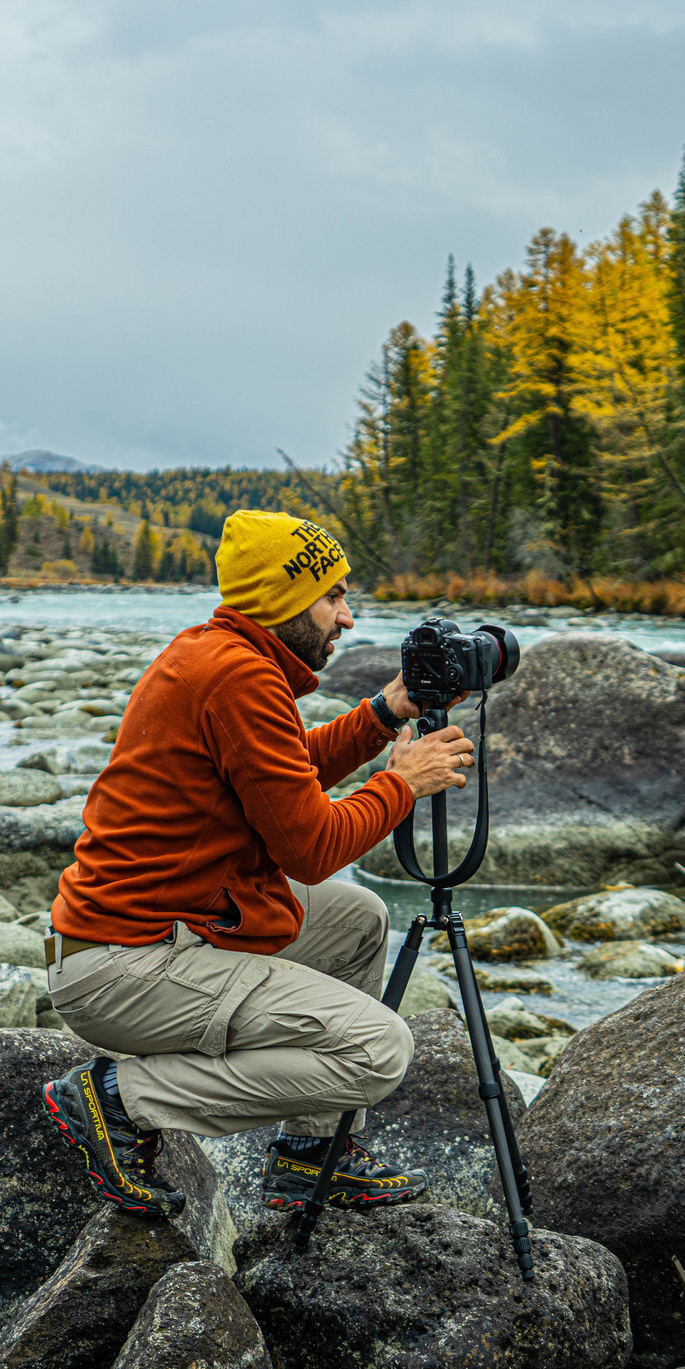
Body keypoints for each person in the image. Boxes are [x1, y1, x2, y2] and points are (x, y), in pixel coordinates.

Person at [39, 510, 477, 1219]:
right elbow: (309, 847)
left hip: (151, 936)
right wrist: (402, 783)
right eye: (332, 596)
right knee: (378, 1052)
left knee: (359, 918)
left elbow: (286, 769)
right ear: (282, 599)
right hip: (125, 968)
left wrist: (389, 708)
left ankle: (313, 1155)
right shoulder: (236, 676)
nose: (347, 616)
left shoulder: (222, 658)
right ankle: (121, 1098)